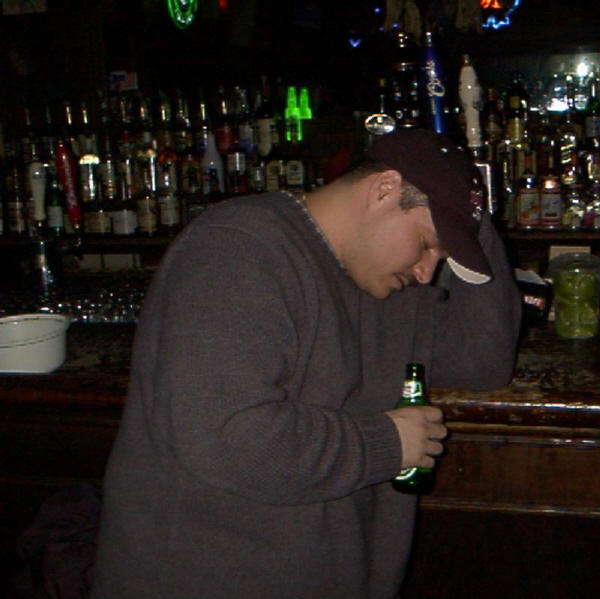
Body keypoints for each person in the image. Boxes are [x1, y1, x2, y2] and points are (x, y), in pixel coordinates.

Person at [90, 128, 521, 598]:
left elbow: (482, 361)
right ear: (383, 189)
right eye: (425, 243)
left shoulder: (391, 287)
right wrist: (385, 444)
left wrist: (468, 213)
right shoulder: (237, 248)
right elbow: (228, 437)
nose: (427, 271)